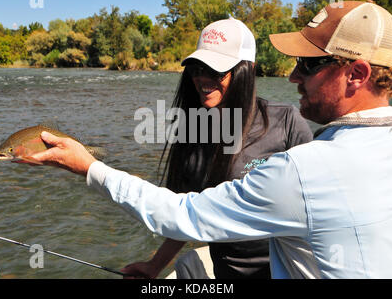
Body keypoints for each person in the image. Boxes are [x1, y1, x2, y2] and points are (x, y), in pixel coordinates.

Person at [27, 1, 392, 278]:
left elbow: (182, 214)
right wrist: (155, 266)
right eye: (196, 66)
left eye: (308, 64)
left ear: (357, 74)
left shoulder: (300, 161)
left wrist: (87, 166)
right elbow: (188, 207)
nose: (294, 76)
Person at [120, 18, 312, 279]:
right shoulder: (193, 129)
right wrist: (154, 266)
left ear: (249, 70)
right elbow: (186, 213)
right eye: (197, 68)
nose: (202, 79)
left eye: (216, 71)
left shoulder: (286, 121)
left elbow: (319, 206)